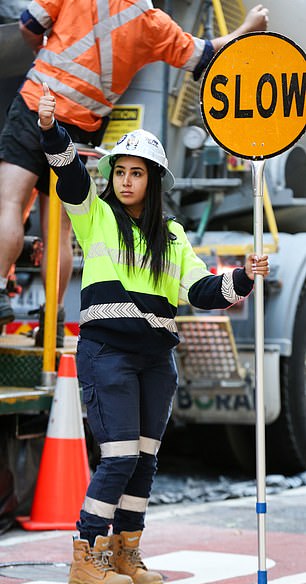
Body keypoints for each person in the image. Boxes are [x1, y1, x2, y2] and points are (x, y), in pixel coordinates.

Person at [37, 84, 269, 584]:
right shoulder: (93, 214)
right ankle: (87, 554)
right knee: (118, 456)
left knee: (144, 459)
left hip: (156, 359)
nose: (124, 180)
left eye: (135, 172)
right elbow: (70, 173)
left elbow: (203, 290)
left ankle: (127, 551)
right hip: (108, 355)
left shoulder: (174, 236)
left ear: (153, 180)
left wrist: (245, 278)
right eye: (119, 171)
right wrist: (52, 129)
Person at [0, 1, 269, 343]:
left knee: (9, 201)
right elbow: (204, 54)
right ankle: (52, 318)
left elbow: (28, 26)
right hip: (83, 123)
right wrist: (249, 26)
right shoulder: (152, 22)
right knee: (60, 230)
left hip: (38, 104)